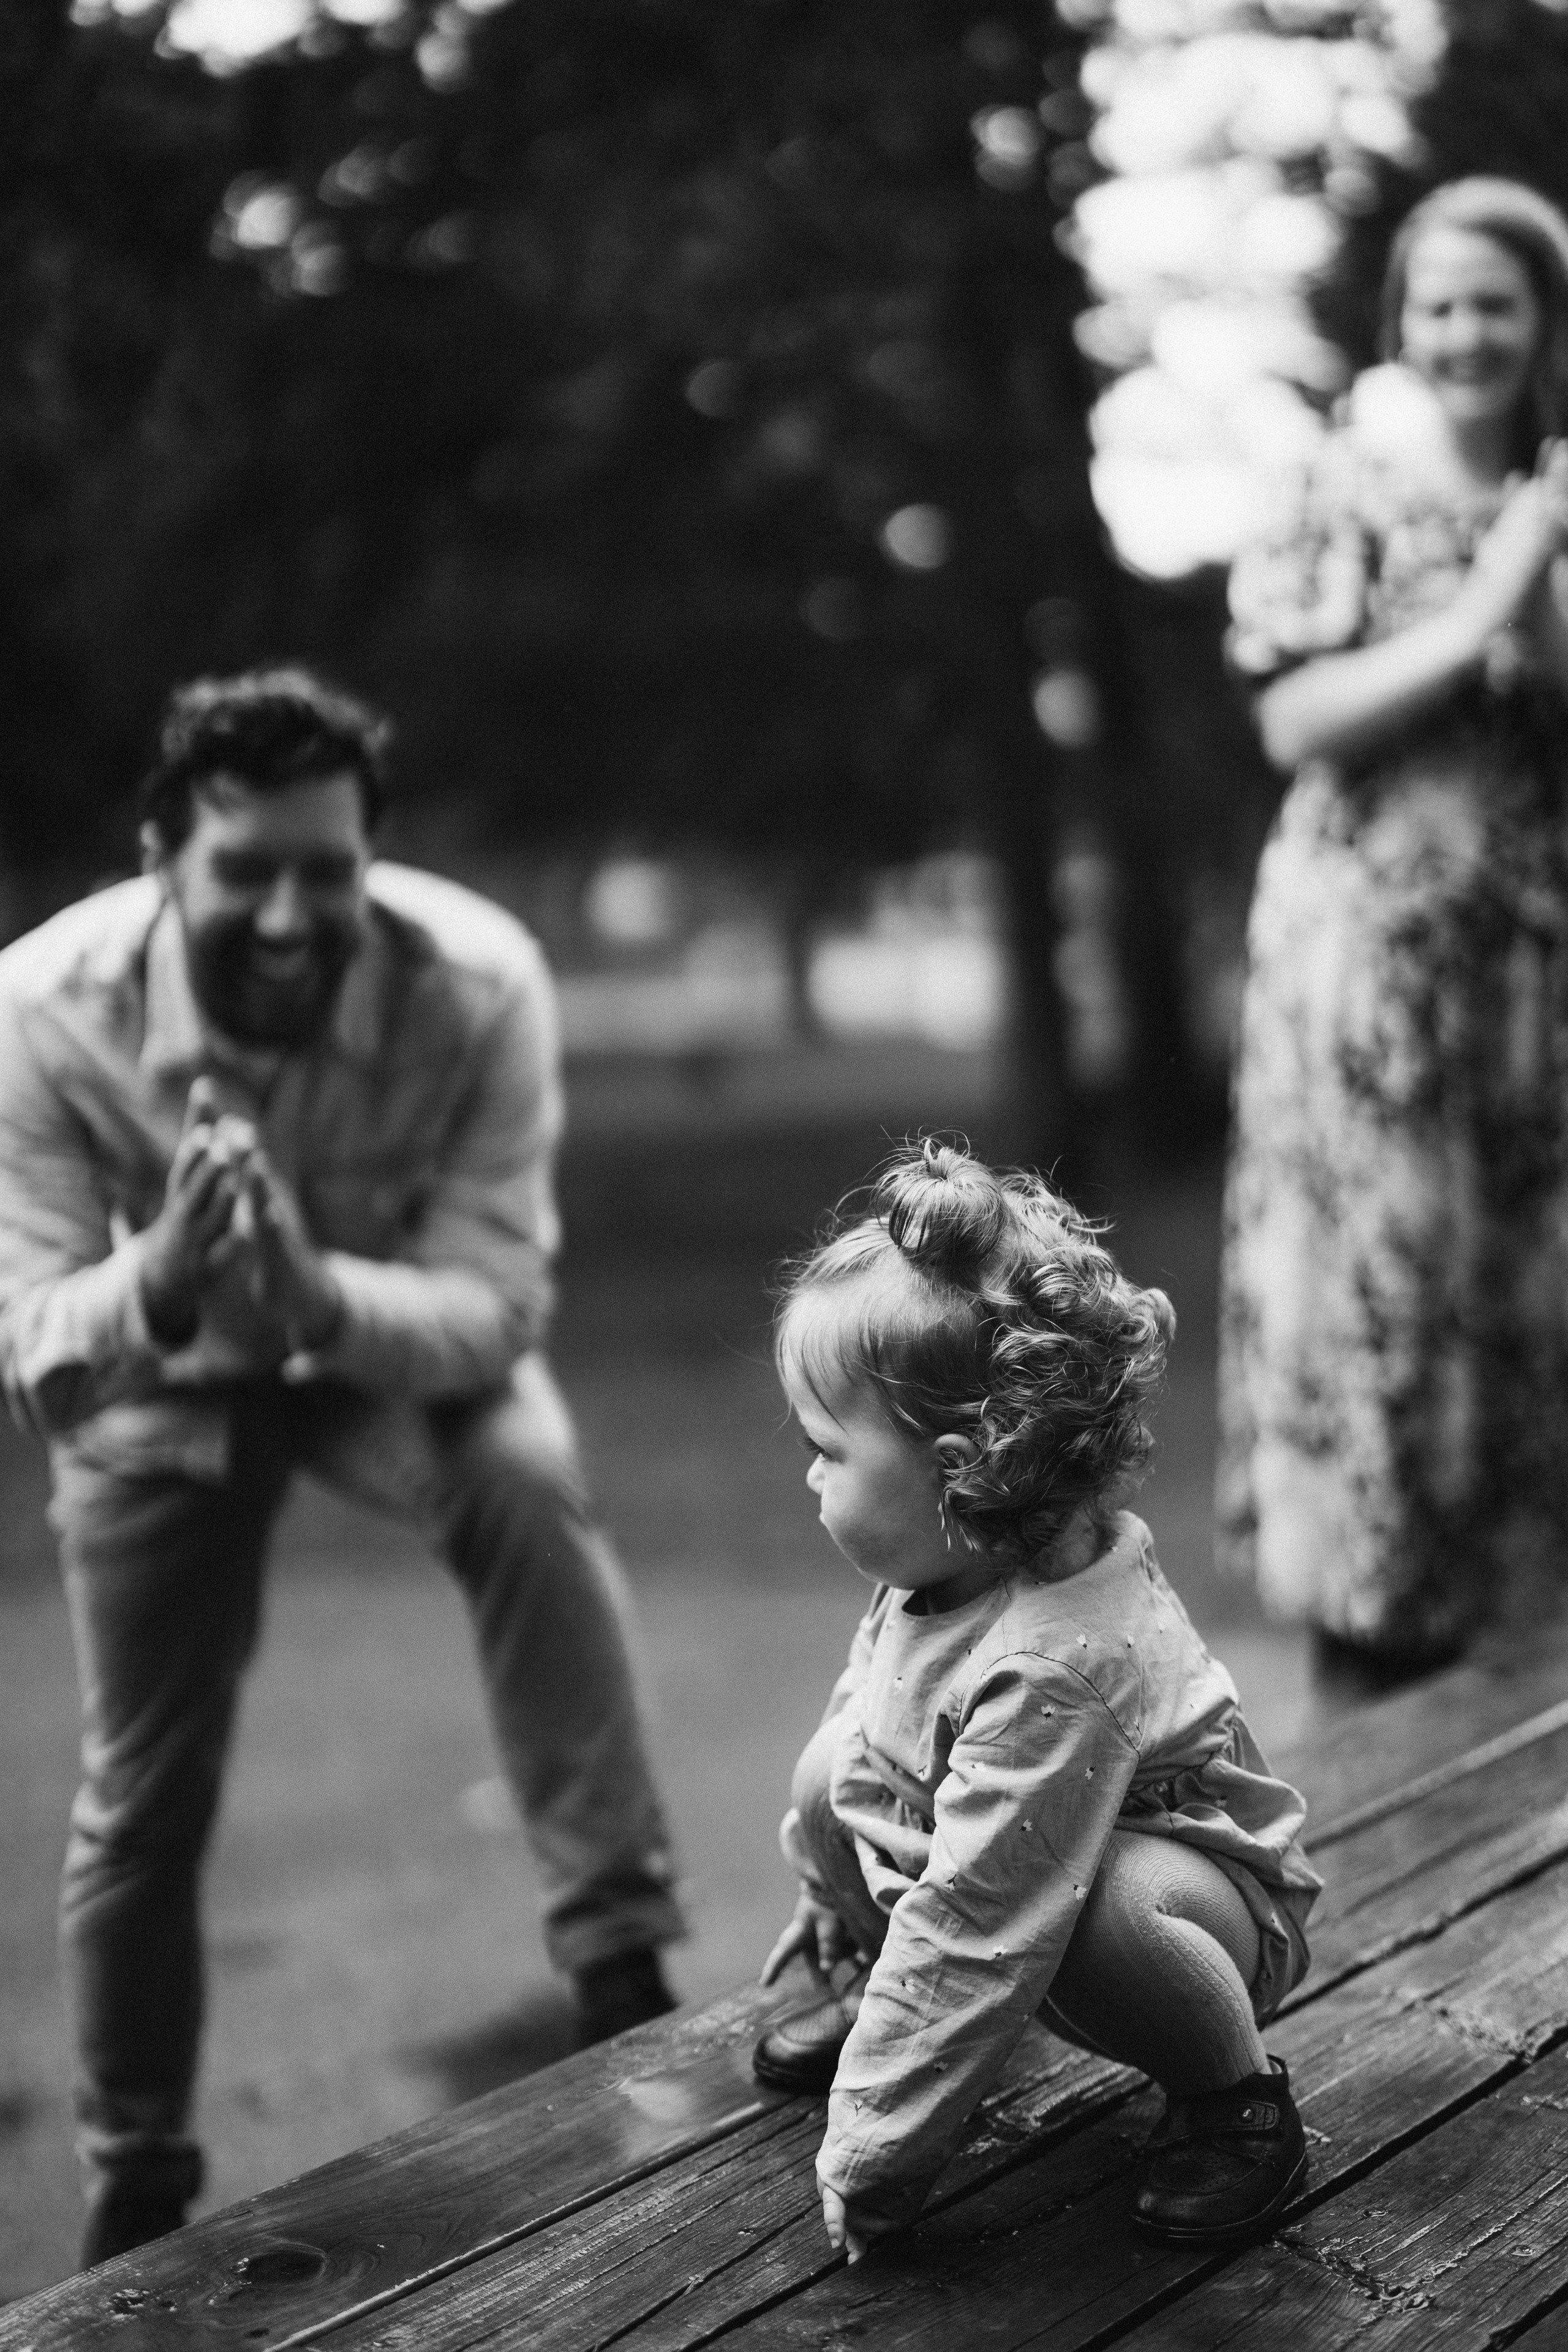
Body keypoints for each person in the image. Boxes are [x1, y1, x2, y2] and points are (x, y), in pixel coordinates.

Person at [0, 666, 685, 2268]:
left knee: (522, 1462)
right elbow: (39, 1349)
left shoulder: (479, 979)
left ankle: (622, 1979)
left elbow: (497, 1304)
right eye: (249, 872)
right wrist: (167, 1271)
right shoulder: (38, 1012)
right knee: (140, 1783)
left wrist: (312, 1296)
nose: (296, 913)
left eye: (331, 869)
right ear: (165, 855)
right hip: (164, 1375)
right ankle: (138, 2182)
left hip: (374, 1351)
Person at [750, 1140, 1321, 2258]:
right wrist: (831, 1891)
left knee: (1108, 1907)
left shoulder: (1058, 1662)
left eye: (826, 1449)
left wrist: (872, 2148)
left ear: (957, 1469)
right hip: (1002, 1859)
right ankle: (880, 1981)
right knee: (834, 1763)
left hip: (1196, 1906)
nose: (809, 1476)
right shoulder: (946, 1561)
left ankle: (1233, 2099)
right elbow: (880, 1714)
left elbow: (980, 1919)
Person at [1219, 176, 1568, 1684]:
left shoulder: (1554, 494)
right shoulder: (1340, 483)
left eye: (1494, 301)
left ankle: (1514, 1690)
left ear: (1543, 321)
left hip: (1526, 981)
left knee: (1516, 1316)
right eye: (1434, 302)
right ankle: (1360, 1681)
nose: (1462, 331)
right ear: (1398, 319)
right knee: (1378, 1310)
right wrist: (1492, 588)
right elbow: (1294, 714)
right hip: (1363, 982)